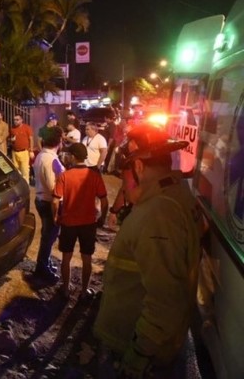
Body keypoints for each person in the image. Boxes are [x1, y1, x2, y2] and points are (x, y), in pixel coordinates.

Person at [93, 123, 205, 378]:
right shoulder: (174, 194)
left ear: (139, 167)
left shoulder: (159, 213)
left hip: (139, 352)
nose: (124, 186)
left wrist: (138, 356)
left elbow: (165, 299)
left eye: (124, 177)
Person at [52, 142, 108, 299]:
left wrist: (56, 216)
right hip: (88, 223)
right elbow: (104, 201)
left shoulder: (65, 176)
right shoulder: (94, 176)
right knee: (87, 258)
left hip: (69, 222)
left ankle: (65, 289)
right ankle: (84, 291)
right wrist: (102, 218)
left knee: (66, 257)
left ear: (74, 157)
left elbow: (55, 201)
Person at [31, 126, 65, 285]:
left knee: (48, 235)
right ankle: (42, 268)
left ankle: (44, 263)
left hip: (42, 200)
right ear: (59, 141)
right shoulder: (50, 159)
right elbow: (54, 188)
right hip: (49, 202)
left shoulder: (42, 156)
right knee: (49, 237)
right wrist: (57, 210)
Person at [10, 113, 35, 183]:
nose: (15, 121)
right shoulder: (12, 129)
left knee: (25, 170)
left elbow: (31, 139)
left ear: (21, 120)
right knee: (16, 170)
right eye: (14, 120)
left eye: (17, 120)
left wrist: (31, 151)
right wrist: (11, 140)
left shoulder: (27, 127)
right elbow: (11, 139)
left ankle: (26, 185)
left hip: (24, 152)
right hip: (14, 152)